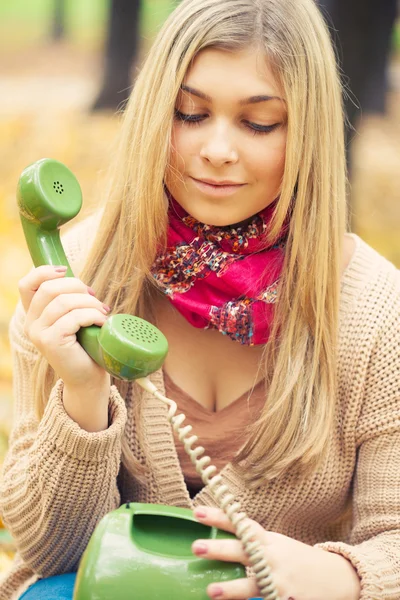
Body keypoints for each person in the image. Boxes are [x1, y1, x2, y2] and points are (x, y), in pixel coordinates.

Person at [1, 0, 399, 598]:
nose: (217, 149)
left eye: (259, 123)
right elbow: (49, 552)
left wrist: (339, 574)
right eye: (189, 114)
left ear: (308, 131)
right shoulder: (78, 275)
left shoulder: (376, 310)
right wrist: (82, 395)